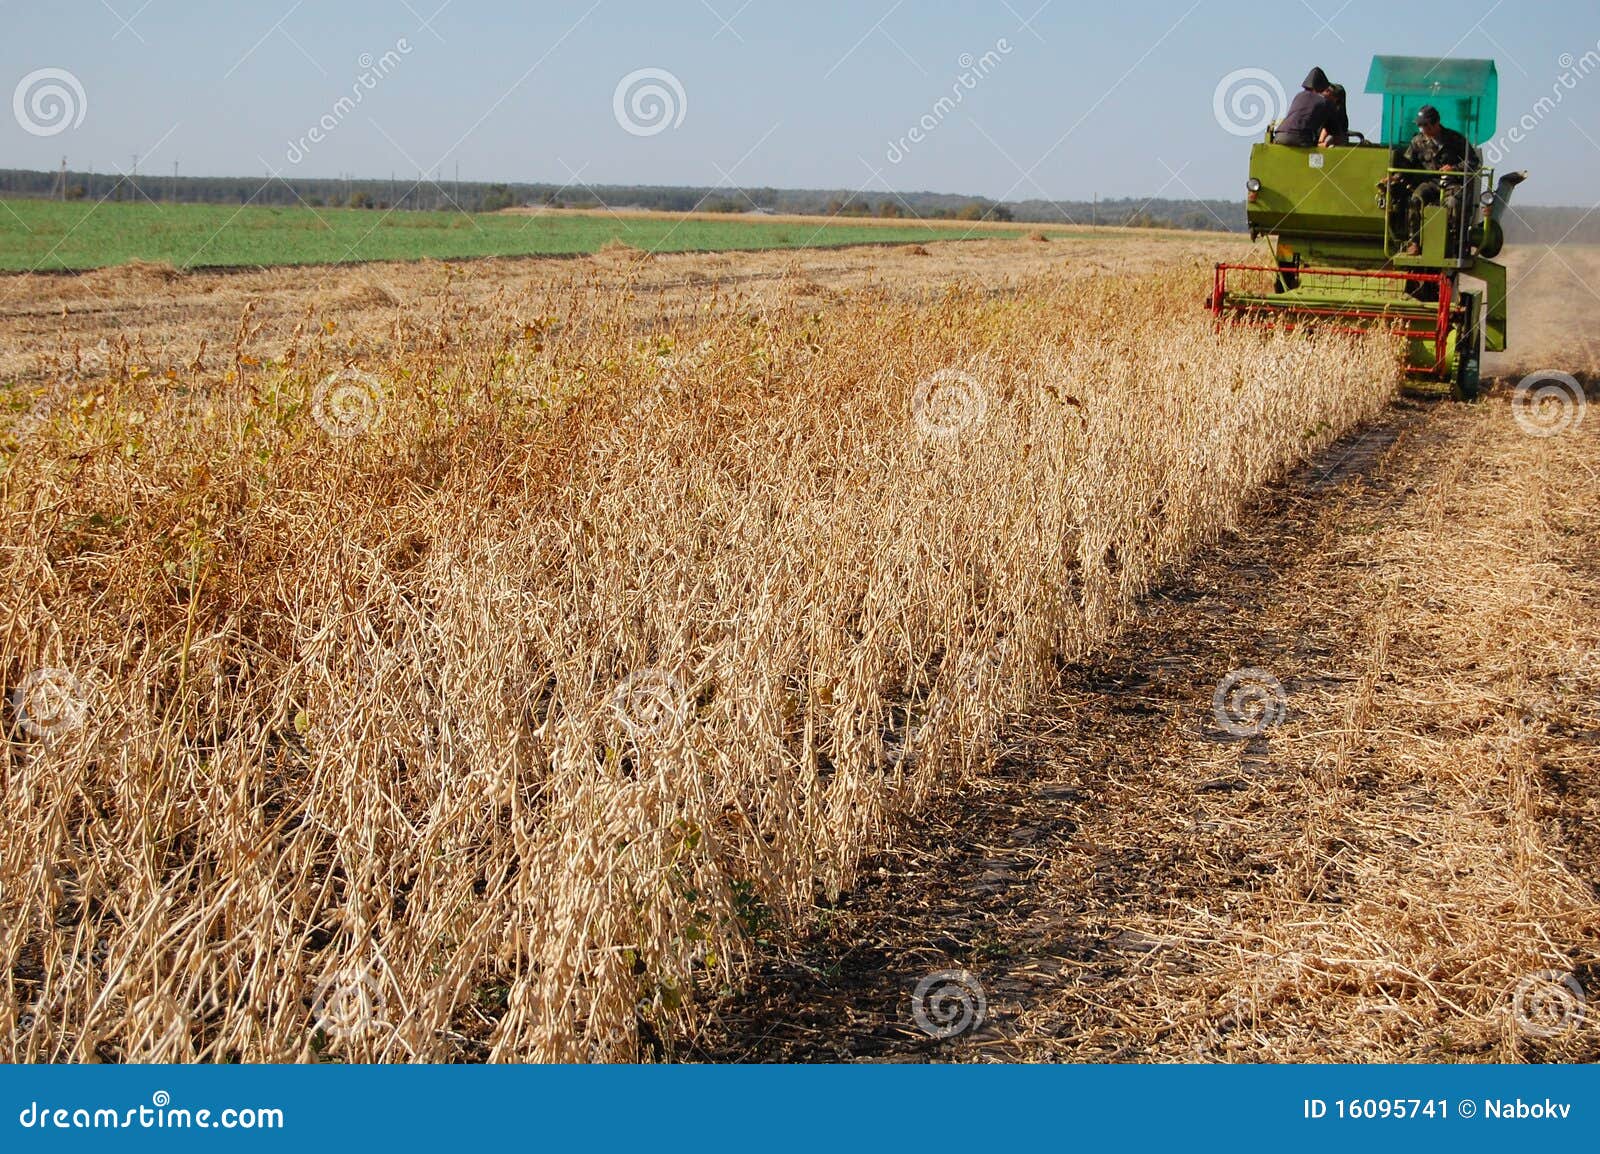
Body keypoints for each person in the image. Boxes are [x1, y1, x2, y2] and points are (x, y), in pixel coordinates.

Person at [1399, 104, 1480, 254]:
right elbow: (1407, 163)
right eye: (1419, 126)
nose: (1422, 129)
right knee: (1415, 199)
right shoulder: (1417, 142)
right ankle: (1415, 242)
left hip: (1452, 183)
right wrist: (1394, 177)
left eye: (1425, 125)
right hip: (1430, 183)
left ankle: (1456, 244)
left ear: (1436, 123)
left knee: (1453, 203)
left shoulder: (1455, 139)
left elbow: (1473, 162)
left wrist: (1454, 169)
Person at [1272, 67, 1335, 147]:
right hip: (1299, 138)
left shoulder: (1299, 96)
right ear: (1321, 86)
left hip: (1279, 136)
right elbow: (1332, 128)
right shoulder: (1323, 101)